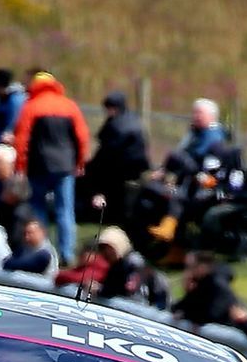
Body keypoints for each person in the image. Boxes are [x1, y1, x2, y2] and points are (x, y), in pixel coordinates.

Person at [11, 71, 91, 265]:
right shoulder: (69, 105)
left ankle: (43, 248)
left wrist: (20, 165)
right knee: (65, 210)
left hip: (38, 166)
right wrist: (79, 162)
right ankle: (67, 253)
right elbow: (82, 137)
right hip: (65, 166)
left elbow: (21, 139)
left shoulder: (31, 106)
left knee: (38, 209)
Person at [82, 91, 150, 224]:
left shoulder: (116, 125)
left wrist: (91, 166)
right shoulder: (132, 119)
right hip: (136, 167)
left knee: (90, 174)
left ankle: (92, 211)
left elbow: (107, 153)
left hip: (121, 168)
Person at [172, 250, 247, 335]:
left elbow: (213, 314)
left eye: (191, 267)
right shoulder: (202, 282)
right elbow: (181, 305)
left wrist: (186, 314)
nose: (188, 272)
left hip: (231, 332)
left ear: (202, 267)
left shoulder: (216, 284)